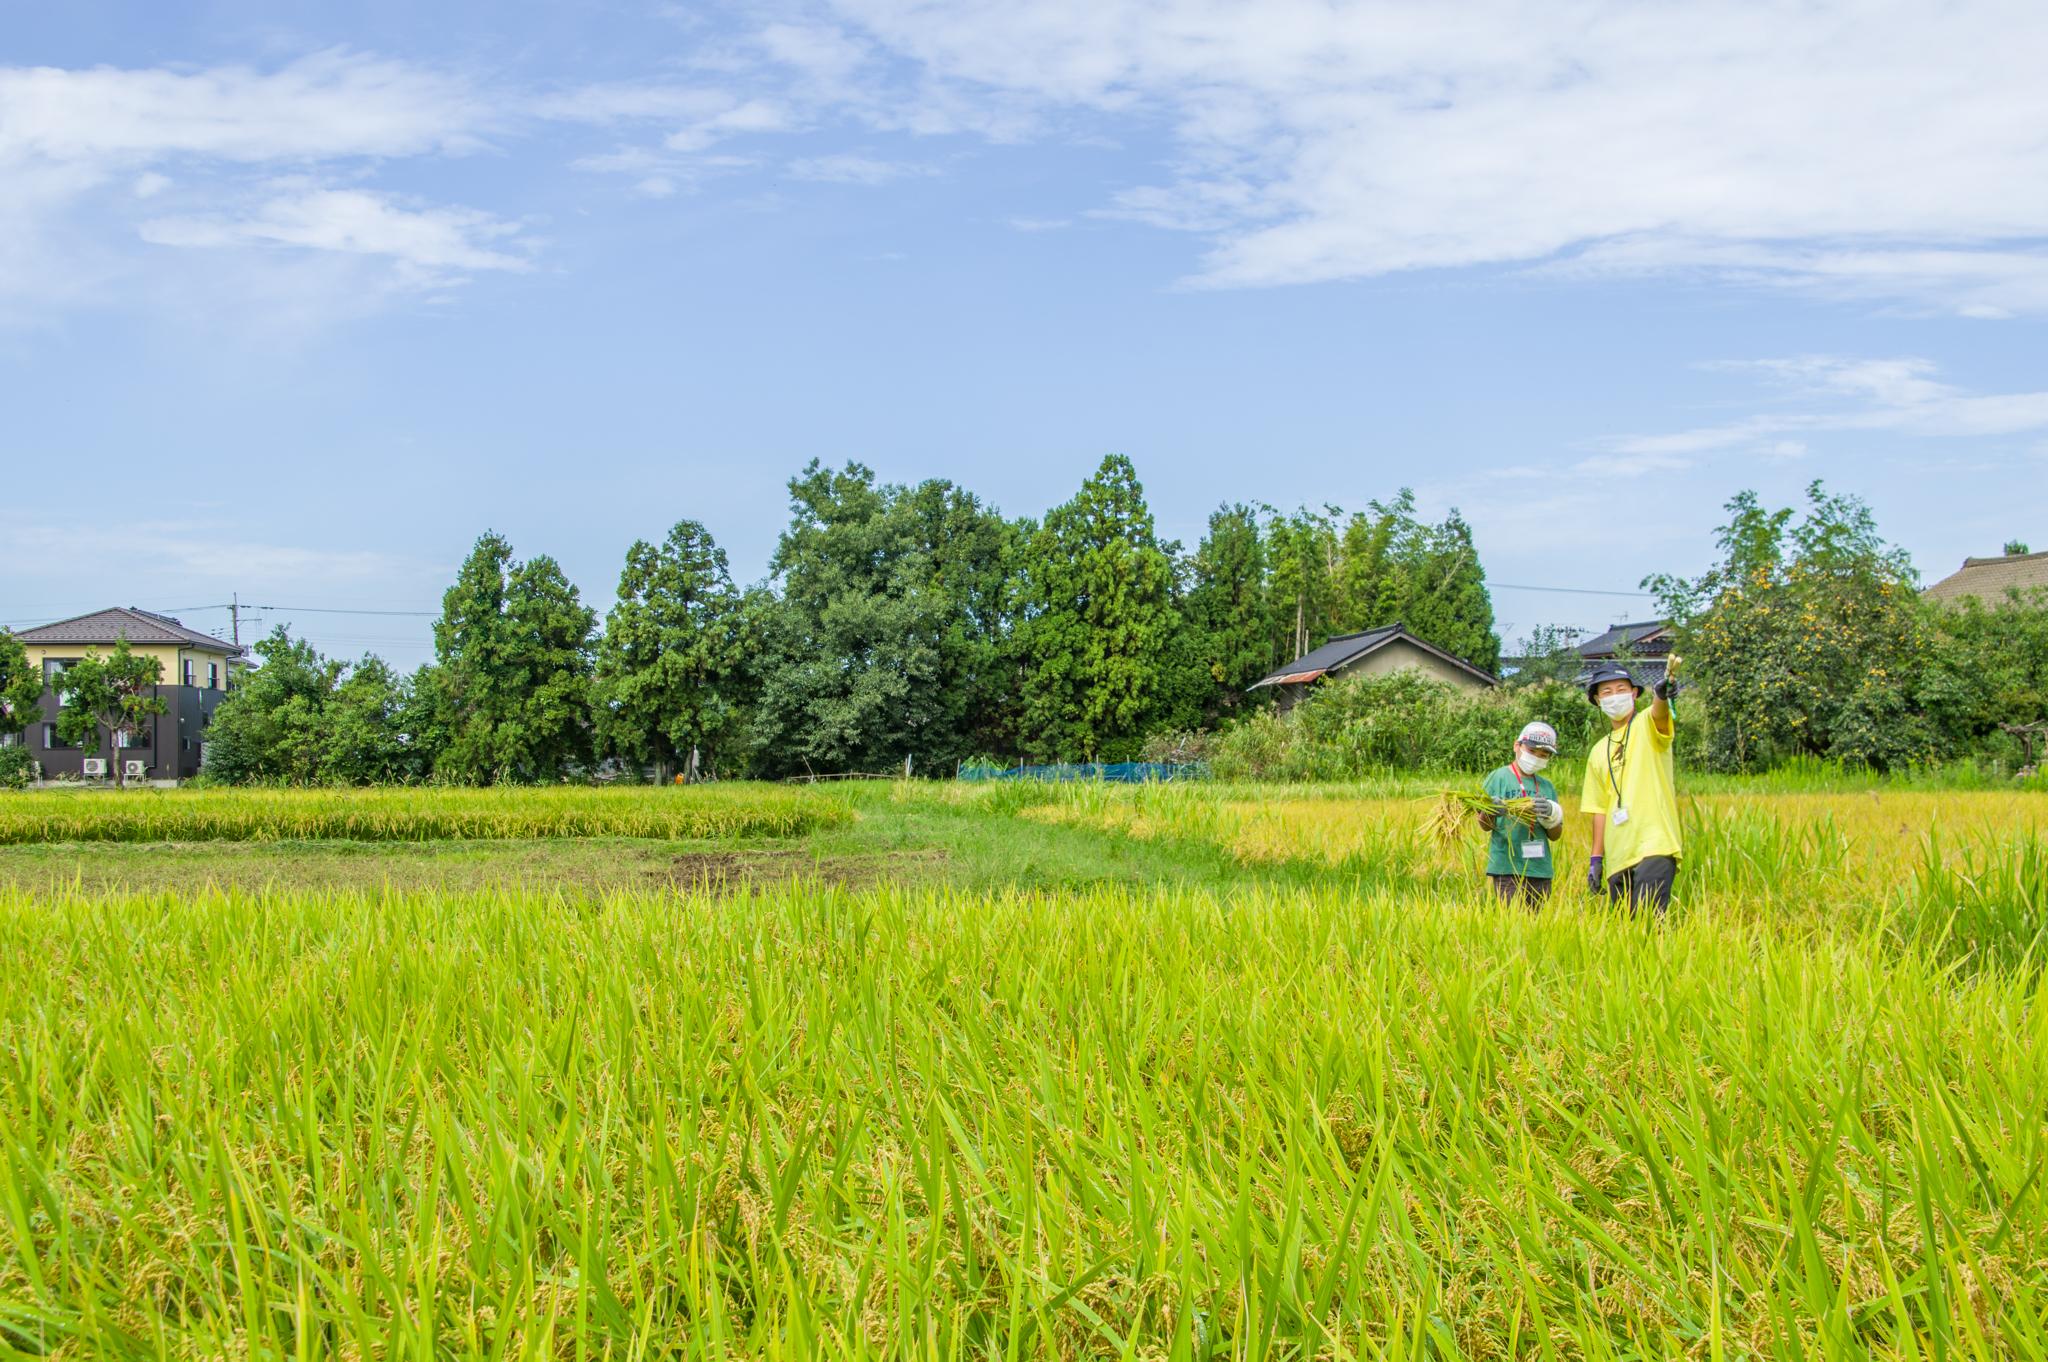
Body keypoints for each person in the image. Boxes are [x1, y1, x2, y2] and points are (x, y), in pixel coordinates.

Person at [1580, 657, 1683, 914]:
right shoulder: (1597, 751)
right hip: (1618, 854)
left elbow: (1659, 713)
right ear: (1597, 700)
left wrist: (1662, 695)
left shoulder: (1646, 724)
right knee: (1626, 931)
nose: (1615, 696)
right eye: (1607, 692)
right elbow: (1600, 809)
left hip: (1654, 844)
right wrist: (1596, 859)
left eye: (1621, 689)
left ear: (1634, 693)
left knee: (1648, 923)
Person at [1476, 721, 1565, 907]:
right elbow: (1484, 825)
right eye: (1531, 751)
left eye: (1543, 755)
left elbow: (1555, 835)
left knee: (1538, 922)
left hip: (1540, 870)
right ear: (1517, 746)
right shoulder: (1498, 778)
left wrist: (1550, 816)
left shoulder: (1547, 786)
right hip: (1507, 868)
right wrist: (1490, 812)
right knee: (1511, 919)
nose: (1536, 758)